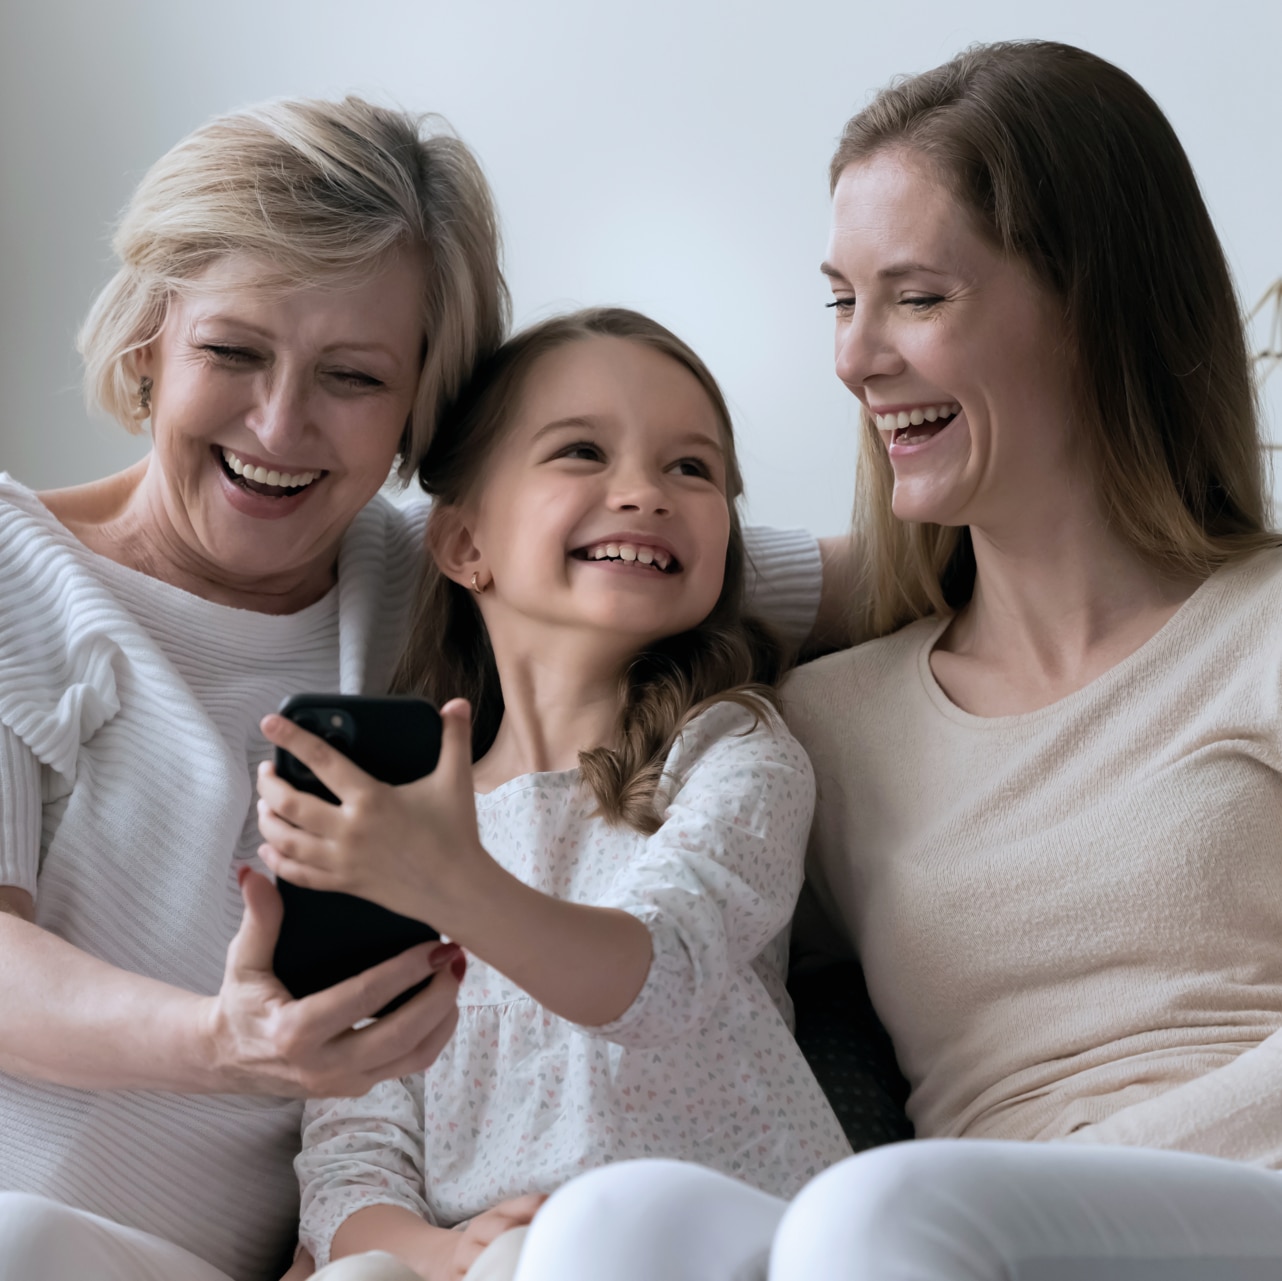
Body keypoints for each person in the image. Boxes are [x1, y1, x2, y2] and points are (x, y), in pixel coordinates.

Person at [0, 99, 828, 1281]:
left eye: (353, 376)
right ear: (148, 340)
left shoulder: (416, 570)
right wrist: (226, 1044)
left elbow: (766, 566)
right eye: (232, 352)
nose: (279, 427)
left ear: (419, 414)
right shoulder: (10, 568)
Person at [498, 39, 1282, 1280]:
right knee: (614, 1224)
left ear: (1097, 306)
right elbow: (667, 971)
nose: (854, 357)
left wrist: (1033, 1184)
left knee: (879, 1215)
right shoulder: (831, 724)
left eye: (916, 298)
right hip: (941, 1238)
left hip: (1236, 1200)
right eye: (839, 298)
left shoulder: (1265, 627)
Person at [253, 308, 853, 1281]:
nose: (644, 493)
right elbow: (351, 1157)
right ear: (462, 545)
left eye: (692, 468)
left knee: (571, 1244)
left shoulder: (730, 753)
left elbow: (655, 976)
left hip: (704, 1242)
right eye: (582, 451)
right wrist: (440, 1252)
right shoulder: (392, 824)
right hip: (482, 1259)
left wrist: (444, 885)